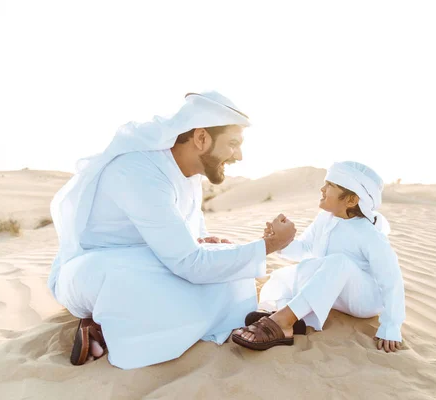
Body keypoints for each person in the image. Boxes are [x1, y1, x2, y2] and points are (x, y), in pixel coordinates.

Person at [48, 91, 297, 369]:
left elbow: (187, 241)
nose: (238, 155)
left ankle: (117, 323)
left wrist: (205, 242)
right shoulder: (137, 170)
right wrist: (269, 245)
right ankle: (108, 324)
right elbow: (189, 263)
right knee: (185, 274)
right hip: (95, 273)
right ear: (201, 138)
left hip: (149, 264)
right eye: (233, 144)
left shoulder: (189, 175)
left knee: (229, 269)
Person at [232, 161, 405, 353]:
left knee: (339, 262)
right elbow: (305, 248)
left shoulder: (369, 234)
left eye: (330, 185)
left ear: (351, 200)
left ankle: (282, 322)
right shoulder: (325, 218)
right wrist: (279, 240)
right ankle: (285, 317)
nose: (322, 189)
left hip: (363, 299)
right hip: (333, 289)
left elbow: (392, 280)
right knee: (285, 276)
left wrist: (391, 326)